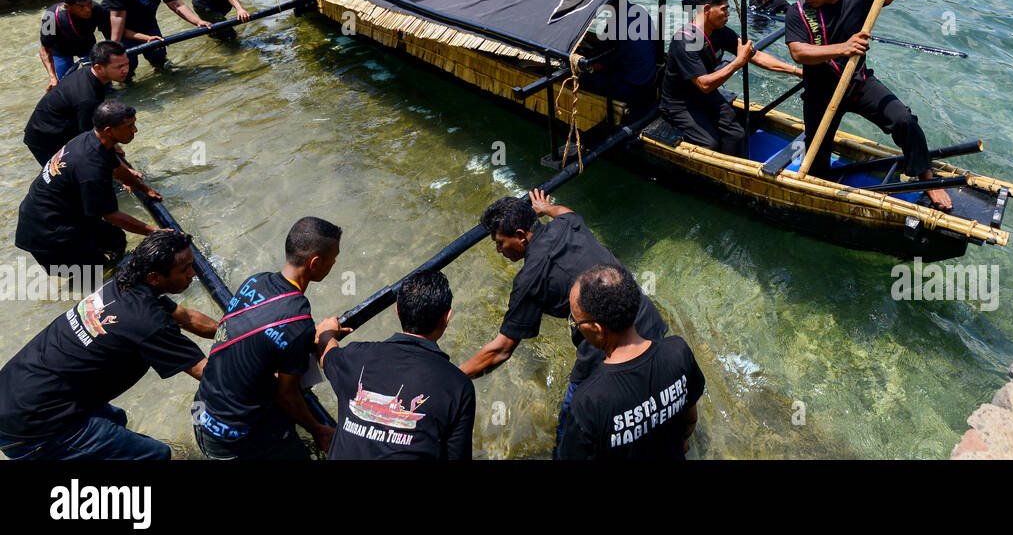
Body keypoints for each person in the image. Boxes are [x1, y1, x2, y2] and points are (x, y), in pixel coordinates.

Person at [460, 190, 668, 452]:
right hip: (647, 320)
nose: (498, 249)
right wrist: (547, 208)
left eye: (500, 242)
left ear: (522, 236)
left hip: (606, 349)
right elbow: (565, 211)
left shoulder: (530, 279)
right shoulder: (567, 225)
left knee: (571, 427)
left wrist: (453, 376)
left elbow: (501, 350)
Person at [785, 0, 953, 211]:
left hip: (858, 84)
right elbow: (799, 52)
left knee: (904, 120)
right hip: (821, 94)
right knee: (815, 165)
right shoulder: (798, 12)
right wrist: (844, 47)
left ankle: (926, 175)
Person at [0, 231, 217, 460]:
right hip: (32, 429)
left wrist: (241, 328)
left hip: (17, 391)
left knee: (115, 420)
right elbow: (209, 374)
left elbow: (186, 318)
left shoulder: (123, 281)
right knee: (156, 455)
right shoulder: (148, 322)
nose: (193, 274)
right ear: (154, 277)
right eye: (185, 270)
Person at [192, 216, 343, 460]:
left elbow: (261, 338)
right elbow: (287, 396)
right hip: (233, 438)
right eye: (334, 258)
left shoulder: (255, 281)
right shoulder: (298, 319)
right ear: (315, 263)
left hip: (202, 411)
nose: (335, 263)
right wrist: (318, 430)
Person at [317, 267, 475, 460]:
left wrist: (328, 332)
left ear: (397, 311)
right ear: (447, 317)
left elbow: (326, 352)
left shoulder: (354, 357)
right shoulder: (459, 386)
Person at [556, 264, 705, 460]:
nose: (575, 328)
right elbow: (690, 419)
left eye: (576, 323)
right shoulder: (678, 352)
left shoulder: (588, 401)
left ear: (598, 329)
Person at [15, 101, 164, 273]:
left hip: (60, 216)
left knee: (116, 240)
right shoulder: (91, 169)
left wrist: (144, 189)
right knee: (95, 273)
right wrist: (155, 232)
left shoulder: (92, 139)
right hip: (48, 234)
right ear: (109, 130)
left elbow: (116, 167)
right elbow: (111, 215)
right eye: (130, 126)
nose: (135, 130)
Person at [660, 0, 801, 157]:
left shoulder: (720, 32)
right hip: (679, 104)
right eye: (724, 9)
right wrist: (737, 62)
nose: (728, 14)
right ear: (706, 9)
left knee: (737, 134)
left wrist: (796, 71)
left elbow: (755, 56)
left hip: (705, 97)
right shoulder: (685, 41)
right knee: (710, 143)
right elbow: (704, 84)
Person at [24, 40, 130, 165]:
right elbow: (90, 139)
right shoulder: (87, 97)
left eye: (126, 64)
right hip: (45, 139)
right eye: (119, 67)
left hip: (62, 127)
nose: (125, 70)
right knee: (72, 176)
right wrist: (121, 165)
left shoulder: (91, 75)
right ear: (98, 67)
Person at [581, 0, 659, 115]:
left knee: (583, 78)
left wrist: (576, 66)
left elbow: (598, 65)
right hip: (648, 81)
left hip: (630, 88)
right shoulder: (640, 11)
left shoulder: (616, 23)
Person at [38, 0, 113, 87]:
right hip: (61, 51)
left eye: (89, 4)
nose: (87, 10)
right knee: (68, 85)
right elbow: (44, 49)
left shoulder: (97, 9)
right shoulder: (51, 16)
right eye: (81, 7)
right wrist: (52, 77)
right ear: (67, 6)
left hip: (87, 45)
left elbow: (110, 35)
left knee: (104, 81)